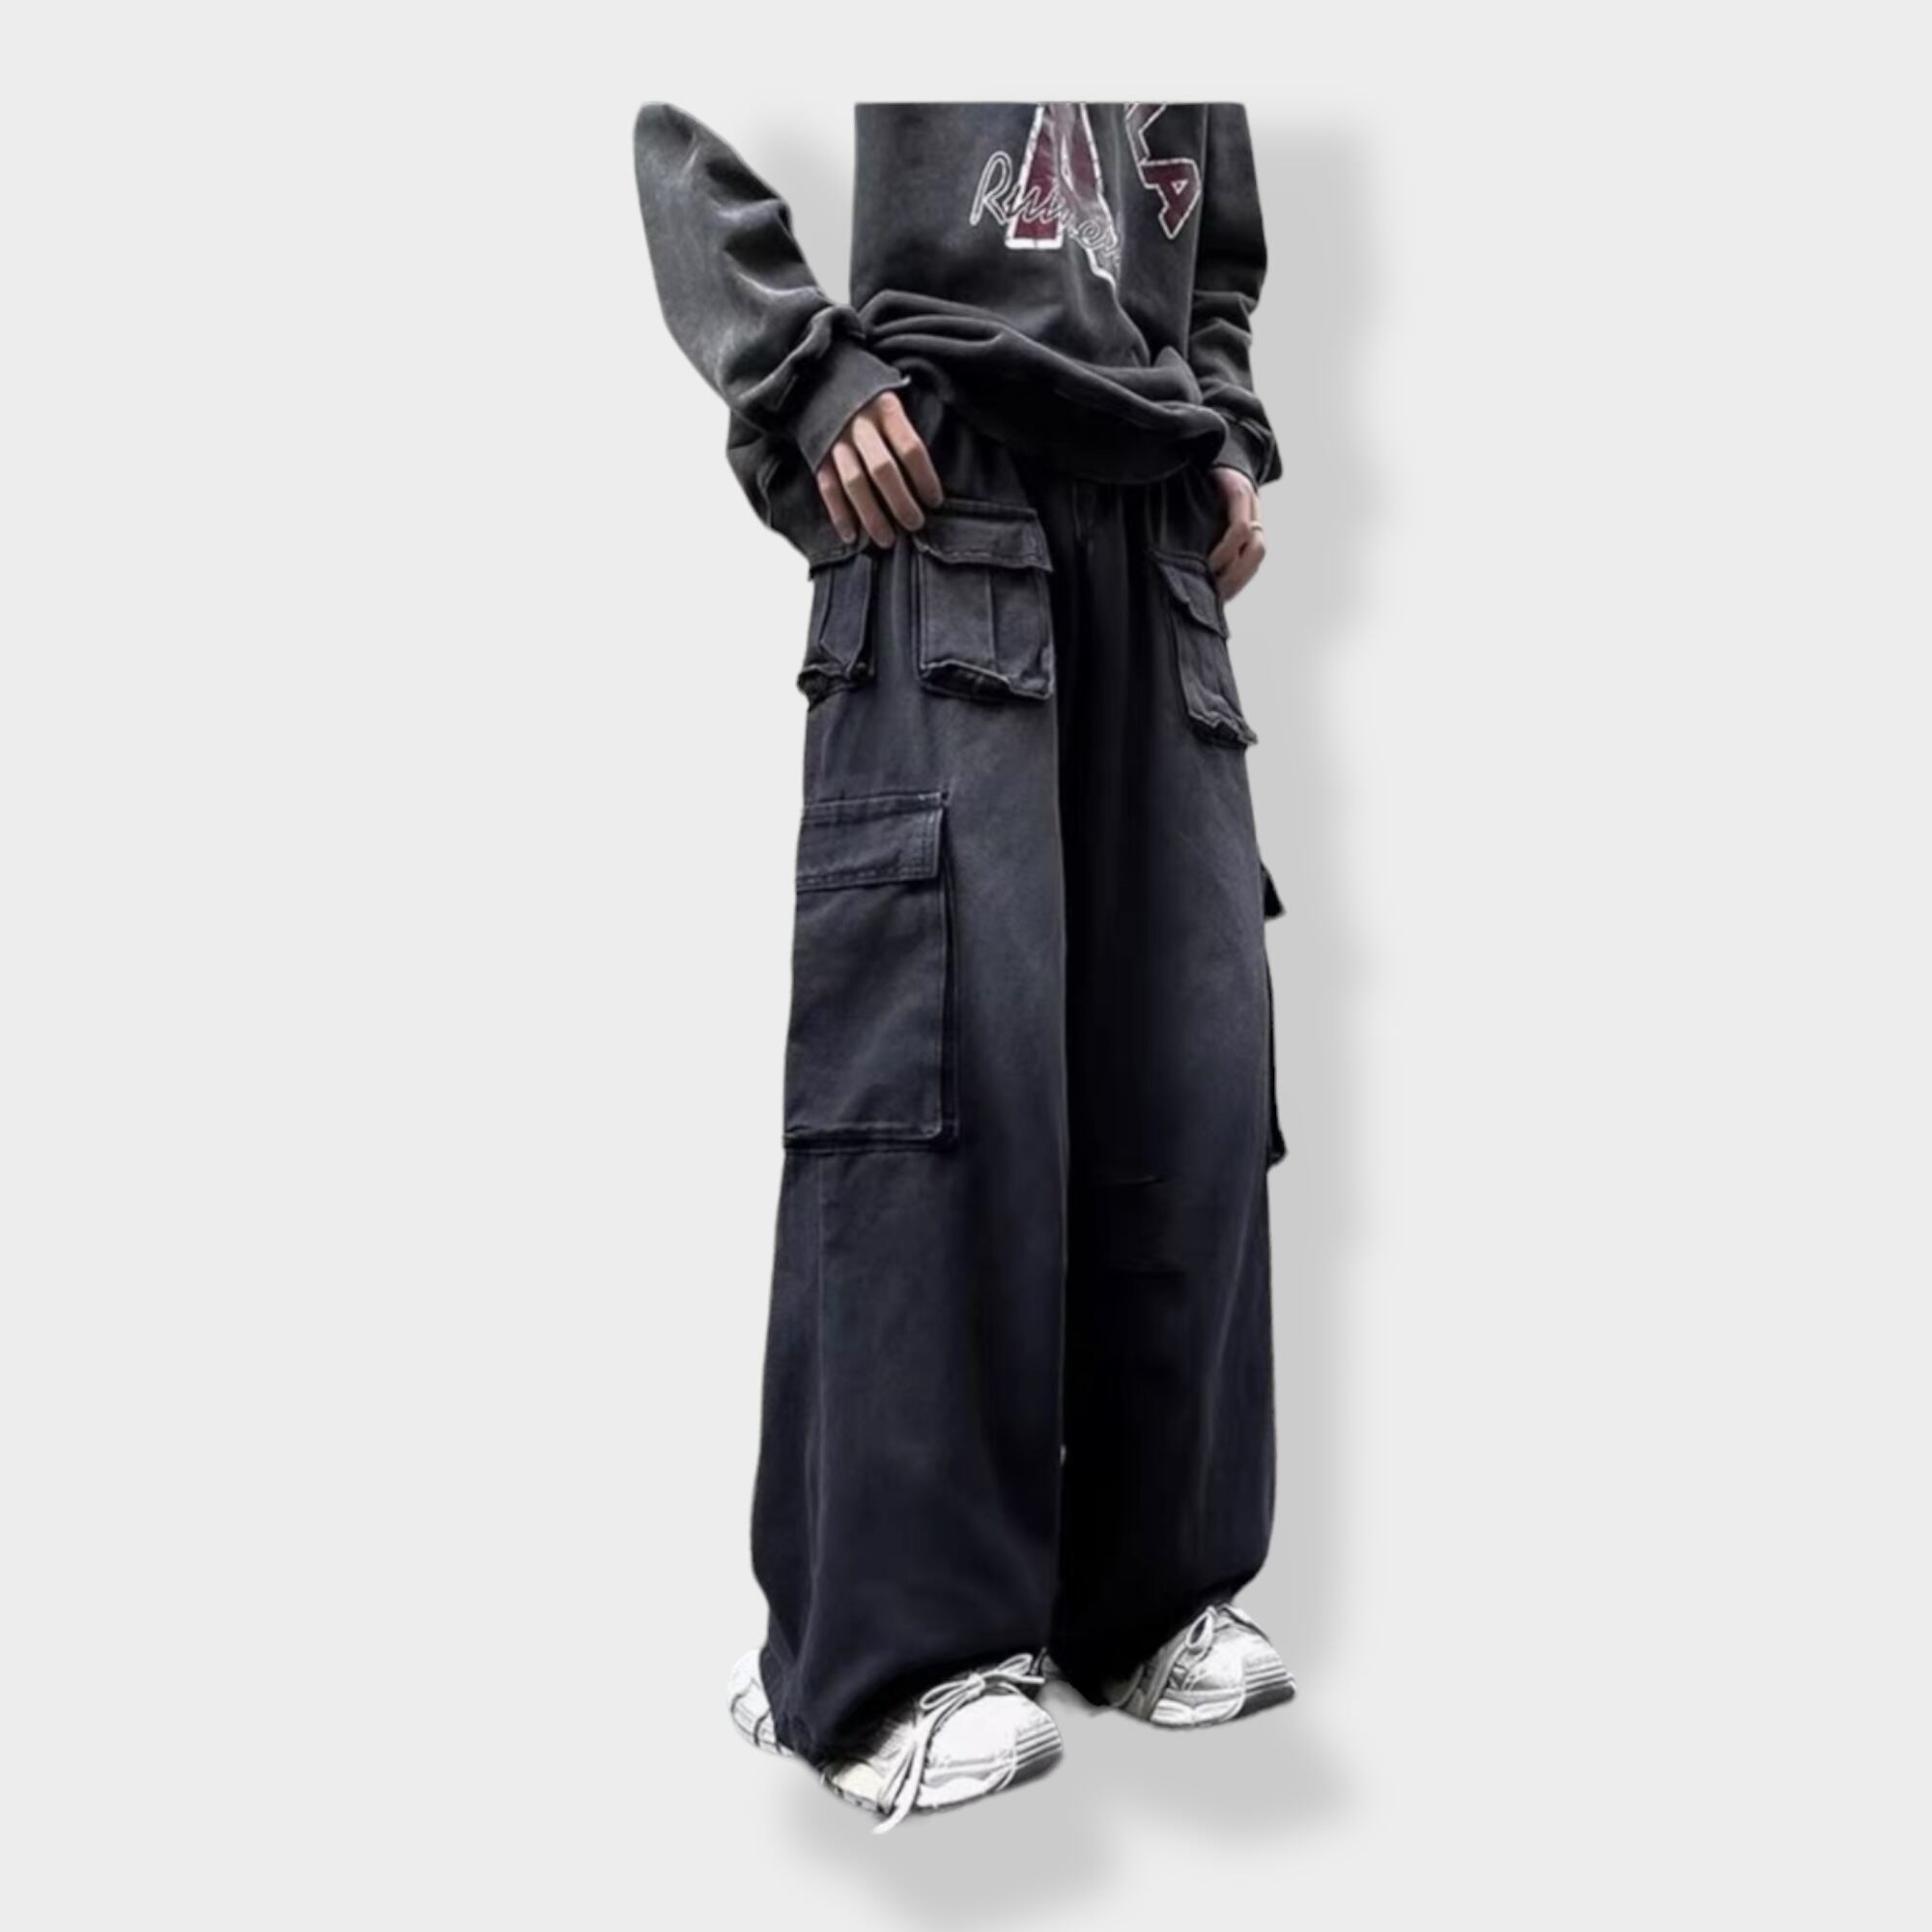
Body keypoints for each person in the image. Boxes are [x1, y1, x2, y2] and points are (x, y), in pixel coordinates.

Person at [632, 100, 1293, 1833]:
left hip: (1154, 519)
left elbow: (1217, 252)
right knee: (940, 1068)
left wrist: (1228, 426)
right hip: (948, 481)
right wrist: (798, 370)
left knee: (1191, 1062)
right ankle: (883, 1661)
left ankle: (1145, 1596)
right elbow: (677, 110)